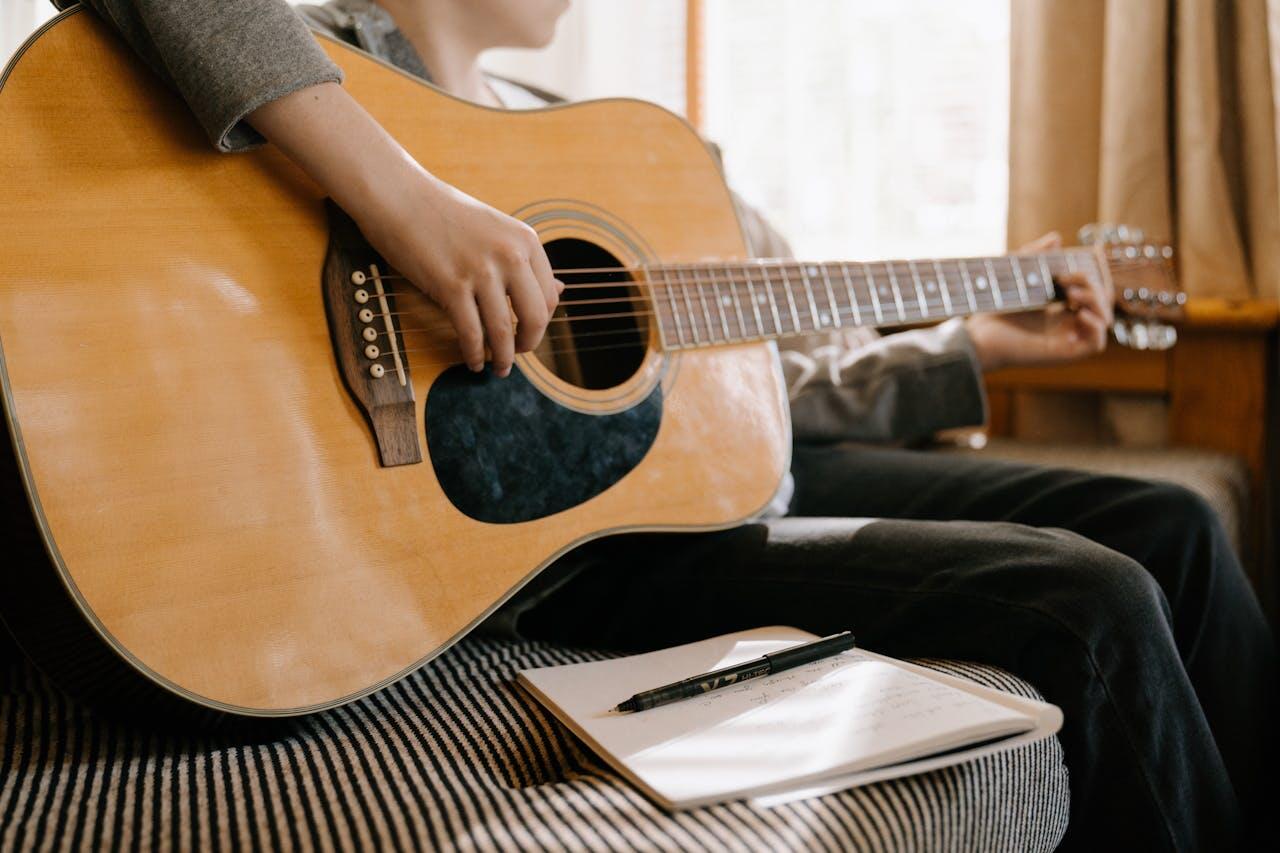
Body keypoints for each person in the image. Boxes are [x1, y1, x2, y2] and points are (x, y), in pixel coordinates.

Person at [48, 1, 1280, 849]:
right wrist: (404, 199)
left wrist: (976, 343)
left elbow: (733, 411)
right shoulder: (331, 78)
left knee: (1161, 518)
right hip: (552, 546)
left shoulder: (612, 144)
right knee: (1092, 596)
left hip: (686, 481)